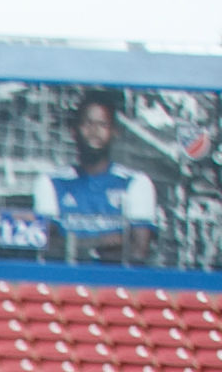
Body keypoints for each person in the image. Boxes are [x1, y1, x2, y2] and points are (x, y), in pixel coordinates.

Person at [35, 91, 160, 263]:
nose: (95, 131)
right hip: (66, 285)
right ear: (74, 131)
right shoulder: (52, 182)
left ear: (114, 131)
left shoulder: (135, 183)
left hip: (116, 285)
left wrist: (73, 245)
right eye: (88, 124)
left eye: (103, 125)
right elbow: (48, 249)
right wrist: (107, 242)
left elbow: (138, 252)